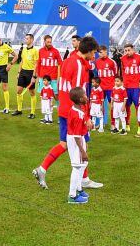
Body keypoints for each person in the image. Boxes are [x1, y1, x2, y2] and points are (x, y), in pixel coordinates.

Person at [33, 35, 102, 191]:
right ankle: (80, 184)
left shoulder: (69, 60)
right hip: (74, 113)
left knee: (64, 144)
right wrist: (86, 117)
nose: (95, 56)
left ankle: (42, 169)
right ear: (90, 51)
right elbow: (78, 95)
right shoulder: (77, 65)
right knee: (82, 144)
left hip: (64, 109)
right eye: (94, 53)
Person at [64, 87, 91, 205]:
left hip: (79, 138)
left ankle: (79, 189)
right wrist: (83, 151)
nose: (87, 96)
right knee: (77, 167)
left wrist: (88, 124)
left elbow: (84, 121)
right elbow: (76, 135)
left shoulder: (78, 108)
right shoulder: (77, 114)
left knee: (83, 164)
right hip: (76, 141)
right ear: (81, 99)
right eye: (85, 95)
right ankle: (72, 195)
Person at [119, 44, 140, 134]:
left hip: (136, 87)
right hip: (127, 87)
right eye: (125, 50)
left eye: (129, 50)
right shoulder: (122, 59)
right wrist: (123, 82)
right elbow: (122, 71)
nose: (127, 52)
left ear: (133, 50)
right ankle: (127, 125)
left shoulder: (139, 57)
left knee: (138, 107)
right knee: (126, 106)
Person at [13, 34, 40, 119]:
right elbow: (22, 61)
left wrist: (34, 76)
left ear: (32, 40)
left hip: (31, 73)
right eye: (25, 38)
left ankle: (32, 113)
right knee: (18, 91)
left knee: (32, 93)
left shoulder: (35, 51)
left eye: (27, 39)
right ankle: (19, 110)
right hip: (23, 72)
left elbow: (37, 64)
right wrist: (18, 72)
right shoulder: (24, 49)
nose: (26, 40)